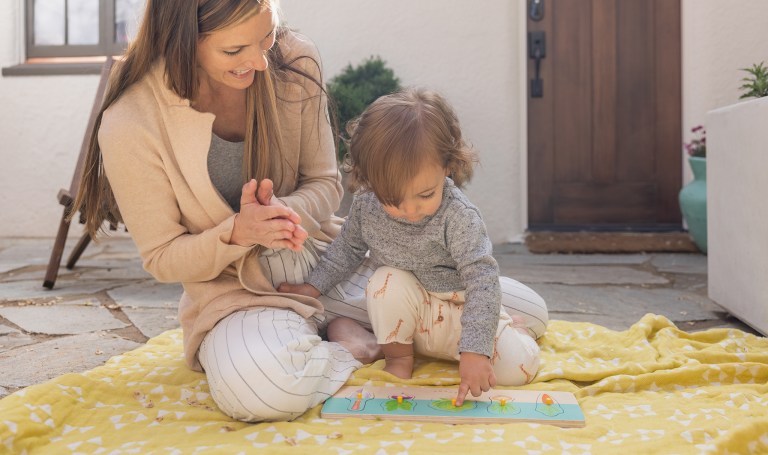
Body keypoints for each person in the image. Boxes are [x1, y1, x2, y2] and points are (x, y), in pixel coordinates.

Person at [70, 0, 384, 422]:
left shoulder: (294, 60)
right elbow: (163, 256)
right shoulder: (132, 120)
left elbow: (325, 183)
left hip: (327, 259)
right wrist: (239, 233)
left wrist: (280, 215)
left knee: (497, 315)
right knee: (264, 390)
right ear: (182, 41)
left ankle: (330, 334)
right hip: (237, 294)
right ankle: (349, 346)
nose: (259, 61)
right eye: (234, 51)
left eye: (266, 36)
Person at [279, 88, 549, 406]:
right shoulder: (367, 206)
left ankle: (513, 333)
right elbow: (346, 250)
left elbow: (482, 280)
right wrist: (313, 286)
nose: (410, 211)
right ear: (369, 179)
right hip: (409, 312)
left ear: (448, 165)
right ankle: (397, 357)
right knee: (385, 280)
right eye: (393, 199)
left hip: (456, 312)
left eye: (424, 195)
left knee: (516, 371)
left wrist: (476, 350)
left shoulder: (458, 216)